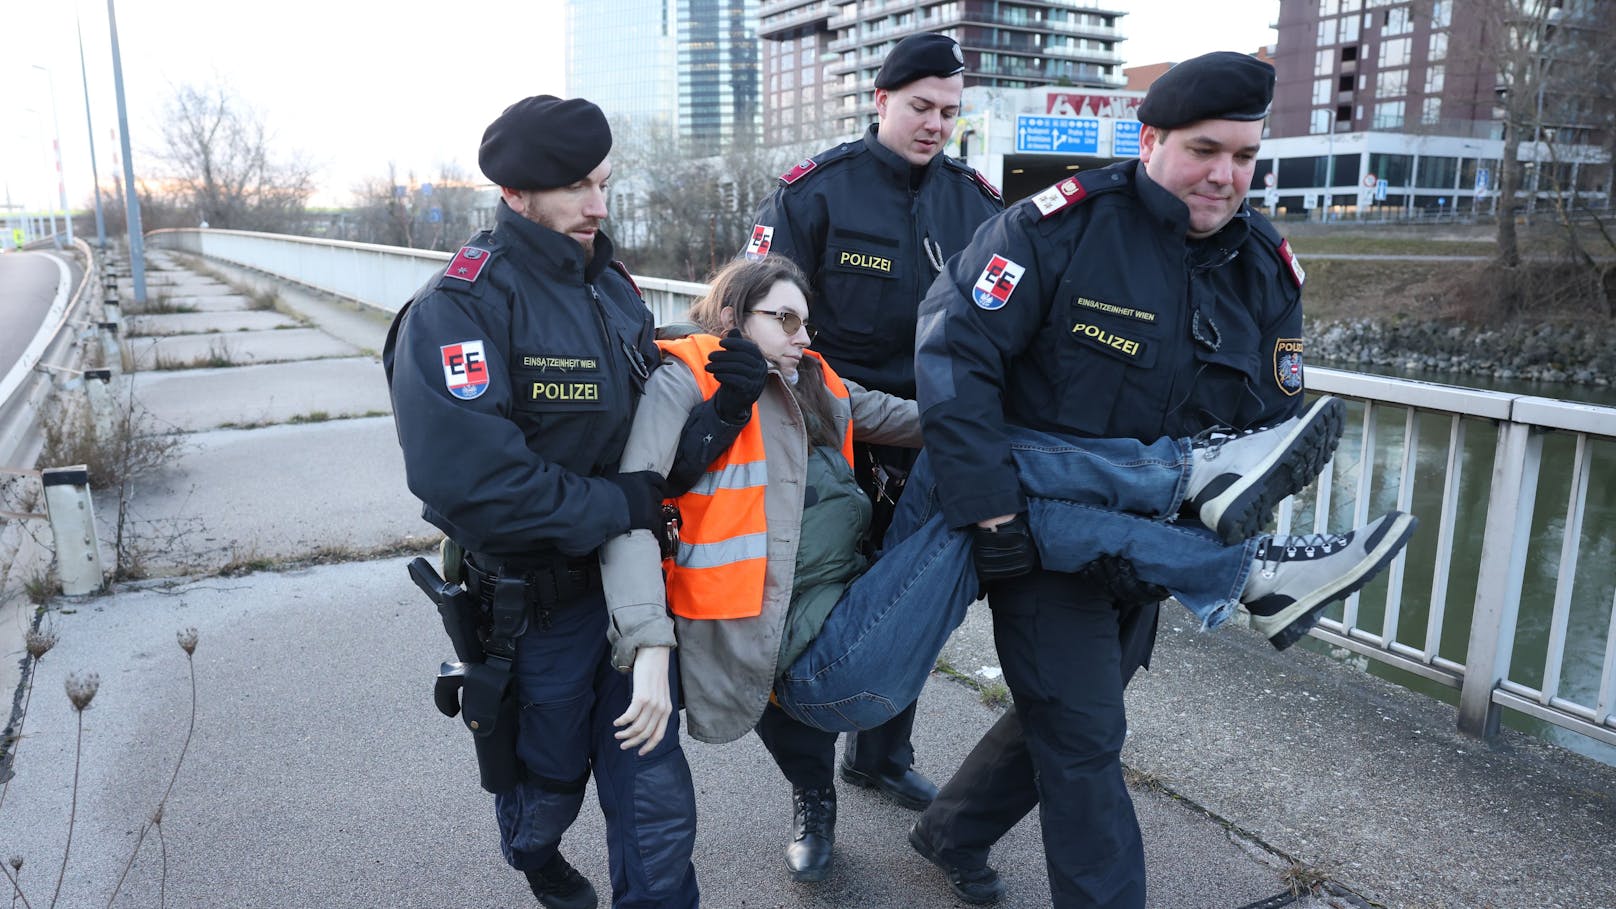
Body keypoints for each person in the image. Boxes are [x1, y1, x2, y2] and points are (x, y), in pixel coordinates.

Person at [598, 258, 1415, 887]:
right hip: (815, 665)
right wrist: (648, 651)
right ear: (734, 314)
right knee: (976, 498)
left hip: (861, 605)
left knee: (979, 455)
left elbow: (937, 421)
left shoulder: (820, 387)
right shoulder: (688, 377)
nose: (802, 334)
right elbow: (632, 516)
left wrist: (1005, 396)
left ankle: (1237, 555)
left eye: (807, 320)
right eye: (784, 320)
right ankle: (1202, 499)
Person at [906, 52, 1410, 908]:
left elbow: (1268, 432)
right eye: (1205, 150)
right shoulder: (1054, 229)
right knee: (1085, 733)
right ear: (1150, 140)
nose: (1224, 176)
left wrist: (1186, 544)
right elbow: (953, 364)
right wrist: (992, 520)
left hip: (1159, 542)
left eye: (1244, 157)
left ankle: (951, 829)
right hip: (1037, 533)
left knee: (1065, 712)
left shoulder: (1265, 265)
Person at [382, 95, 758, 909]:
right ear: (515, 194)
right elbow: (475, 489)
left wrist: (719, 412)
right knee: (547, 785)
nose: (598, 206)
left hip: (634, 598)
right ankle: (533, 852)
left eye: (604, 182)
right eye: (575, 188)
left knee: (655, 795)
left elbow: (651, 466)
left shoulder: (615, 291)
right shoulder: (460, 309)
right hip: (537, 614)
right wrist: (618, 505)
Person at [740, 31, 1003, 876]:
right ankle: (813, 797)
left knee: (915, 608)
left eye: (950, 113)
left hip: (930, 448)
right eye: (920, 107)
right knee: (799, 631)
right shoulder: (814, 194)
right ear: (880, 101)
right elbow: (753, 316)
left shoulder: (975, 203)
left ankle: (882, 755)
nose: (935, 125)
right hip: (829, 449)